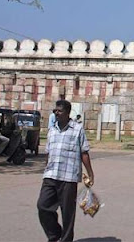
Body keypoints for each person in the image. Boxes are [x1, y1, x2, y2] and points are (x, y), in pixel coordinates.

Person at [37, 99, 94, 242]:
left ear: (68, 113)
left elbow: (84, 152)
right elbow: (49, 153)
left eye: (59, 110)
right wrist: (45, 168)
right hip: (51, 175)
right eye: (55, 110)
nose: (56, 113)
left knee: (67, 212)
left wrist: (90, 174)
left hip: (68, 177)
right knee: (43, 206)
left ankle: (66, 239)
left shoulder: (77, 129)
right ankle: (55, 234)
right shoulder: (52, 130)